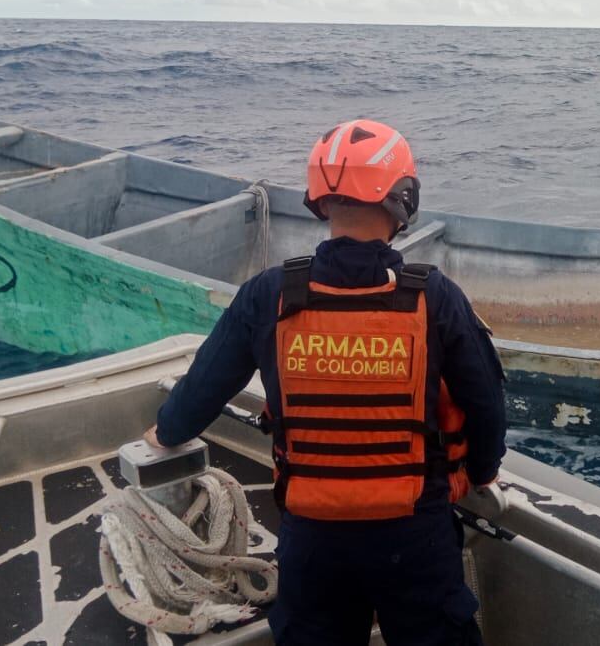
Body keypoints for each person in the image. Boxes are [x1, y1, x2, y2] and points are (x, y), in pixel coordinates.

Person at [148, 118, 507, 645]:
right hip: (415, 533)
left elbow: (203, 389)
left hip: (312, 537)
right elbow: (485, 405)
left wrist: (164, 433)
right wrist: (481, 472)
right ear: (402, 198)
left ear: (320, 198)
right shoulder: (437, 299)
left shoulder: (266, 294)